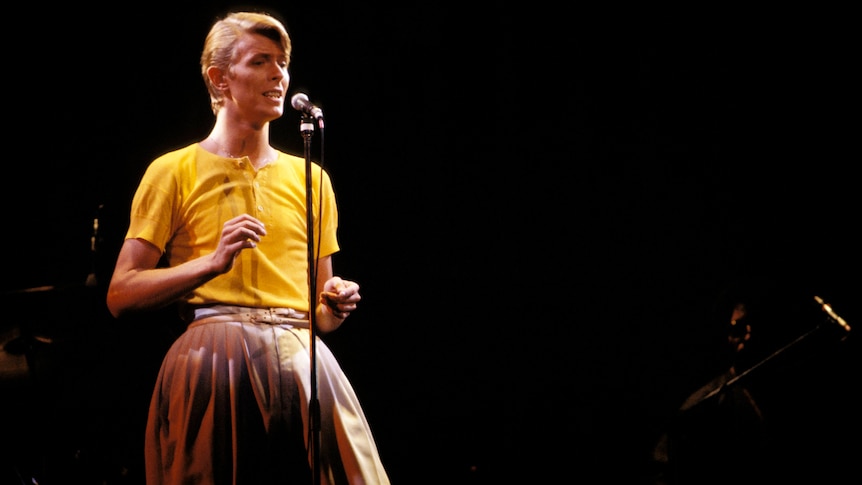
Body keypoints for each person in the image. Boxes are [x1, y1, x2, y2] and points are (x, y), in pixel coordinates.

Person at [106, 10, 390, 484]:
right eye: (261, 61)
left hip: (301, 357)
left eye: (282, 62)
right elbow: (121, 293)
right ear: (220, 78)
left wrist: (336, 304)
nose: (278, 74)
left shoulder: (312, 179)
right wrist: (211, 264)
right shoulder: (171, 170)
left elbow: (319, 312)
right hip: (213, 358)